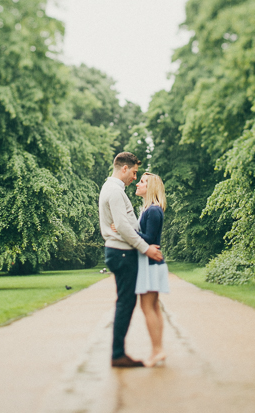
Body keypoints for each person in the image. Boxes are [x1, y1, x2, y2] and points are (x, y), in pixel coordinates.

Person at [99, 152, 163, 368]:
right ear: (124, 168)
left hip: (119, 251)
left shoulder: (112, 189)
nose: (135, 178)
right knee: (125, 303)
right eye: (134, 172)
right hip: (122, 253)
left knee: (125, 302)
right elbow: (124, 227)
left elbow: (127, 225)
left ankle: (119, 352)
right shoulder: (115, 191)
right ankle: (118, 354)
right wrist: (146, 249)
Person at [133, 172, 169, 367]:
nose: (138, 184)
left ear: (151, 187)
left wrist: (125, 231)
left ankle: (157, 350)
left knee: (148, 307)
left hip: (150, 264)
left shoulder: (153, 210)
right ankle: (158, 348)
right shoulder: (150, 210)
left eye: (143, 181)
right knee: (153, 307)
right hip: (151, 263)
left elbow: (149, 238)